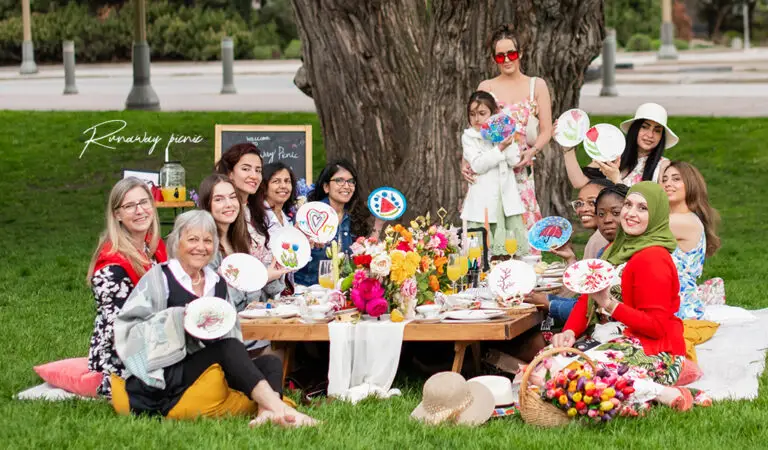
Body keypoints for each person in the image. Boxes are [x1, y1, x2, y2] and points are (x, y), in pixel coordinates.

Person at [113, 211, 317, 426]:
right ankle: (281, 409)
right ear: (176, 242)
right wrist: (178, 318)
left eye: (207, 240)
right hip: (168, 371)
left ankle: (266, 412)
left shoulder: (216, 282)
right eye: (192, 239)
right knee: (227, 348)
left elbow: (230, 330)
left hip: (207, 364)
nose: (200, 247)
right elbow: (129, 327)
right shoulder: (160, 278)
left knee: (270, 362)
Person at [549, 182, 708, 413]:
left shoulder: (654, 258)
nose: (631, 213)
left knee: (572, 376)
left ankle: (665, 394)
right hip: (615, 339)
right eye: (628, 205)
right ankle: (636, 396)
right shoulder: (616, 247)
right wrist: (570, 331)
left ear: (656, 215)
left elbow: (656, 327)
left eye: (642, 208)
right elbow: (588, 297)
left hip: (654, 350)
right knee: (546, 367)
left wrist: (610, 305)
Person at [462, 24, 552, 230]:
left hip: (520, 165)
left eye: (511, 53)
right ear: (494, 59)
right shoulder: (486, 87)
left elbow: (546, 130)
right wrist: (466, 161)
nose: (507, 60)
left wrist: (533, 152)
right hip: (490, 165)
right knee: (489, 224)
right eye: (500, 56)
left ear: (520, 53)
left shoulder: (537, 86)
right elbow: (474, 129)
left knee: (522, 223)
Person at [86, 177, 168, 399]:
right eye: (130, 206)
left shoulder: (154, 248)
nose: (140, 210)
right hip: (121, 354)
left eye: (144, 202)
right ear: (117, 215)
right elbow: (121, 331)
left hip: (156, 338)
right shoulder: (111, 266)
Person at [532, 183, 629, 324]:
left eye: (591, 202)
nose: (583, 209)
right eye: (601, 213)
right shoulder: (606, 247)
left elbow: (592, 308)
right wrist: (571, 260)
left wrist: (550, 304)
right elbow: (585, 298)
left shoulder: (601, 242)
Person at [460, 90, 529, 257]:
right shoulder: (470, 137)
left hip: (506, 201)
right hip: (482, 202)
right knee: (480, 254)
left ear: (493, 114)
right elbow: (477, 165)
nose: (477, 119)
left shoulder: (501, 135)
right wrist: (499, 149)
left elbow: (513, 161)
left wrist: (507, 141)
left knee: (509, 252)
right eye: (472, 114)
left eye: (482, 113)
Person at [294, 159, 384, 287]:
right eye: (339, 180)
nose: (346, 186)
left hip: (343, 292)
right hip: (310, 293)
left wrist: (378, 224)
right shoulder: (309, 215)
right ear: (326, 187)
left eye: (351, 181)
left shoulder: (354, 217)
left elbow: (364, 257)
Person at [563, 103, 678, 189]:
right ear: (635, 129)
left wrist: (616, 179)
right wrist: (568, 149)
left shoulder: (663, 165)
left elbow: (657, 207)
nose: (650, 135)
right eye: (645, 127)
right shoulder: (612, 153)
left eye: (657, 131)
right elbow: (579, 182)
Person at [663, 161, 723, 319]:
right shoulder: (676, 218)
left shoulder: (685, 221)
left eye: (676, 179)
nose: (668, 183)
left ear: (690, 184)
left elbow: (639, 226)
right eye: (664, 179)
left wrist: (617, 182)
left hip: (678, 308)